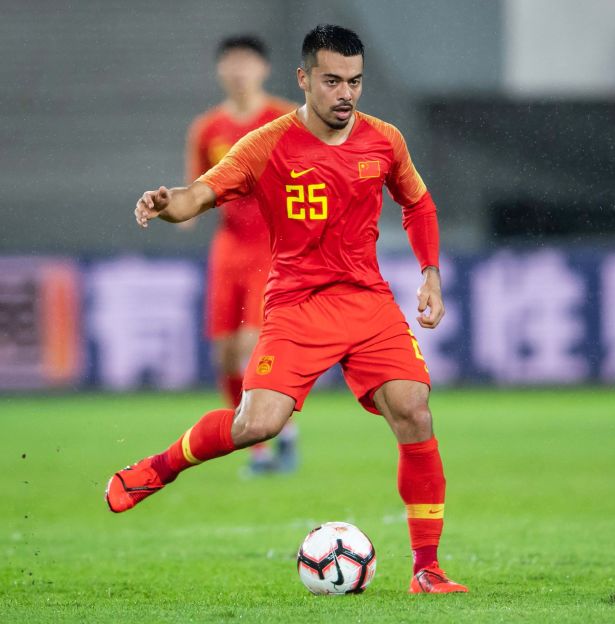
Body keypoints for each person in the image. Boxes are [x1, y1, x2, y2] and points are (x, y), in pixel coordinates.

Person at [106, 24, 467, 594]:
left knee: (414, 410)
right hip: (297, 304)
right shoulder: (265, 145)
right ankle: (162, 465)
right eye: (332, 81)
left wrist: (430, 274)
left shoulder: (384, 140)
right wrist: (167, 202)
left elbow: (418, 204)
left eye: (355, 81)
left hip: (366, 300)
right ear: (303, 79)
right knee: (258, 424)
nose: (345, 93)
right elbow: (201, 192)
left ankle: (427, 568)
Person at [185, 34, 298, 474]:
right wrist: (172, 208)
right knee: (225, 353)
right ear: (220, 70)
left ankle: (279, 430)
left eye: (246, 62)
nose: (238, 70)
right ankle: (260, 445)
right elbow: (195, 191)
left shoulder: (287, 118)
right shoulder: (207, 128)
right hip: (229, 246)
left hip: (274, 245)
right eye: (230, 62)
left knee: (254, 343)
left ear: (263, 68)